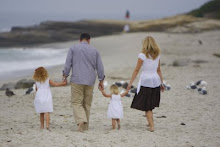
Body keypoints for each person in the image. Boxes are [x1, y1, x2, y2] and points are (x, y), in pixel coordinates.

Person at [63, 33, 105, 132]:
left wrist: (65, 75)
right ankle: (85, 127)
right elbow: (100, 67)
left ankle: (81, 121)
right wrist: (101, 80)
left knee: (76, 102)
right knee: (87, 104)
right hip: (90, 80)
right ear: (89, 40)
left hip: (77, 79)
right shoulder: (95, 50)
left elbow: (68, 64)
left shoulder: (73, 48)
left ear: (80, 40)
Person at [127, 36, 165, 132]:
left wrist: (130, 82)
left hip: (146, 82)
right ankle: (149, 122)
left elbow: (136, 70)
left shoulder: (142, 55)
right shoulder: (157, 55)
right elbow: (159, 70)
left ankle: (152, 126)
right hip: (155, 81)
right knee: (149, 104)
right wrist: (162, 83)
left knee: (147, 106)